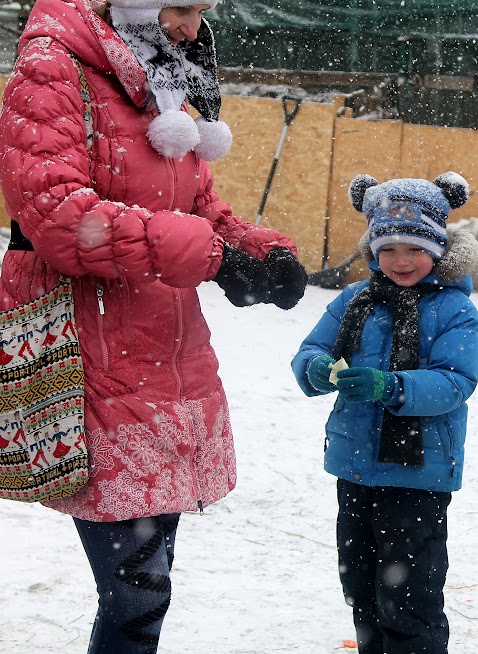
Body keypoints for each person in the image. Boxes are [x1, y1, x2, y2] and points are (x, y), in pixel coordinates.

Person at [0, 0, 308, 652]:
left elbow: (197, 203)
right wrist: (208, 255)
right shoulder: (54, 67)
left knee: (151, 582)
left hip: (164, 356)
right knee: (138, 592)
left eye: (202, 12)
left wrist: (255, 250)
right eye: (181, 8)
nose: (193, 29)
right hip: (89, 350)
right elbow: (59, 216)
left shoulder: (161, 79)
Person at [291, 172, 478, 654]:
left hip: (417, 473)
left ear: (438, 249)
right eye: (389, 248)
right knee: (360, 585)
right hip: (356, 466)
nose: (401, 261)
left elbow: (456, 381)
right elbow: (312, 349)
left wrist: (392, 386)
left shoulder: (455, 310)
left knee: (409, 594)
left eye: (415, 249)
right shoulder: (354, 300)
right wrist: (315, 369)